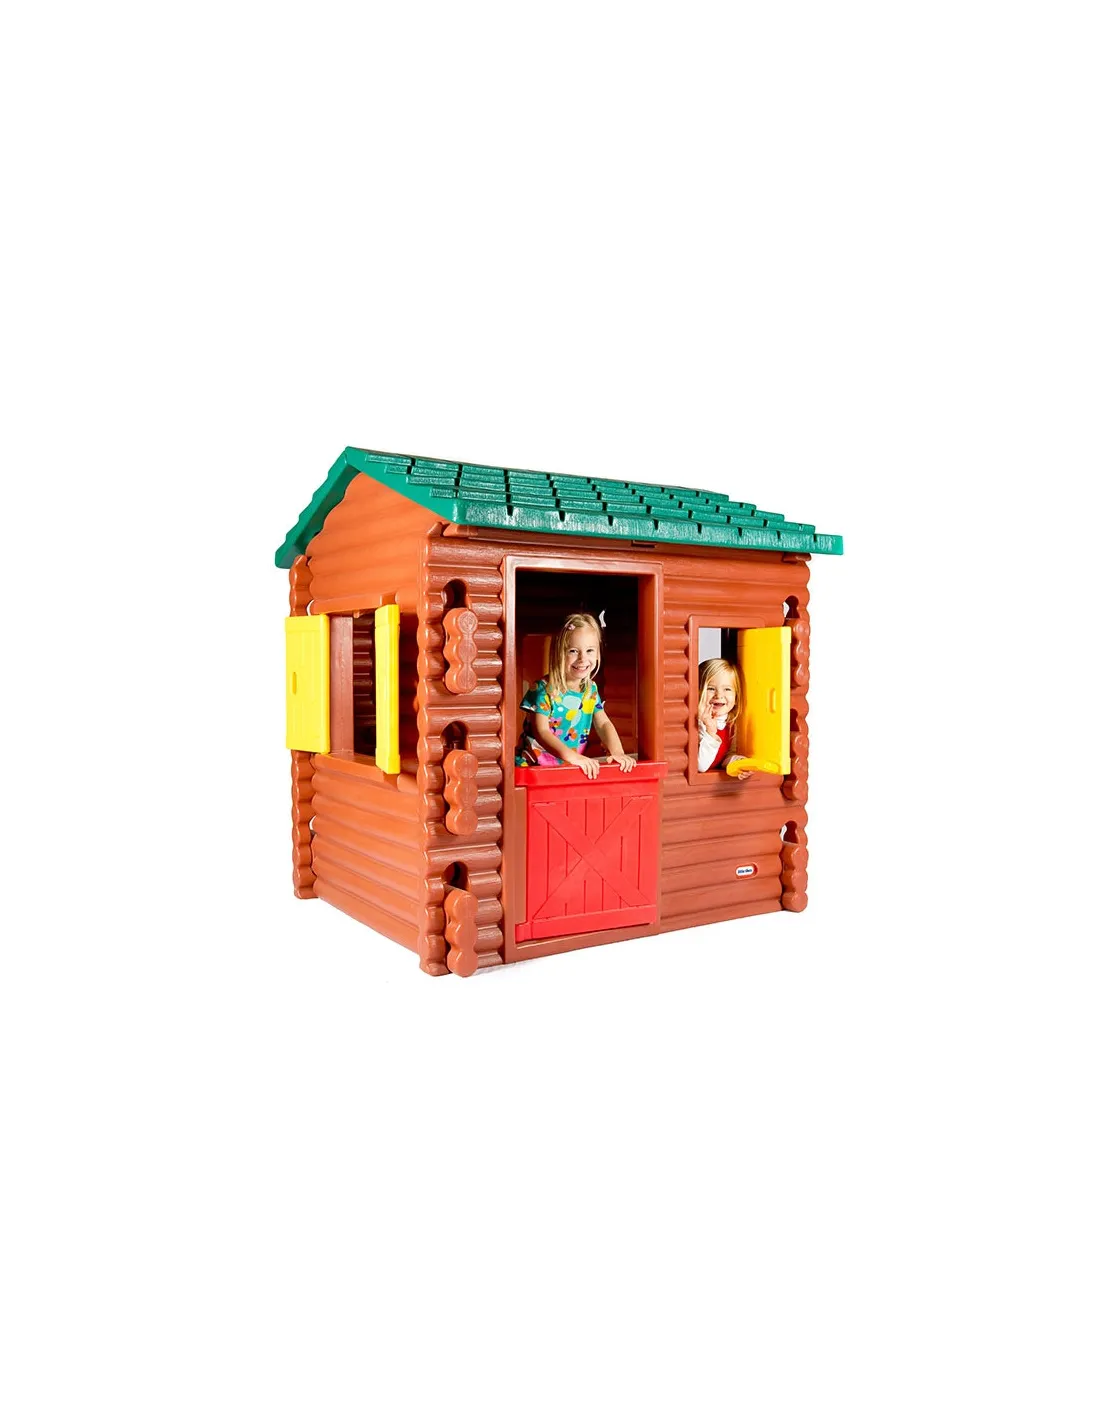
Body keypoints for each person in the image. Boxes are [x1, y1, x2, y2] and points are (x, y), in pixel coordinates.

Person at [515, 612, 637, 780]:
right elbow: (542, 732)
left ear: (597, 653)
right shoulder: (544, 690)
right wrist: (574, 758)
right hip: (533, 768)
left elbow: (603, 723)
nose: (582, 658)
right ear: (559, 653)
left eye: (589, 650)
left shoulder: (590, 690)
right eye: (573, 651)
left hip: (567, 768)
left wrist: (617, 752)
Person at [697, 657, 752, 778]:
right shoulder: (698, 723)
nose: (719, 695)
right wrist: (710, 732)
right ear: (698, 692)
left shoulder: (731, 725)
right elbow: (701, 765)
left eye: (727, 689)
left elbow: (724, 758)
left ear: (736, 697)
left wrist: (737, 762)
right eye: (711, 688)